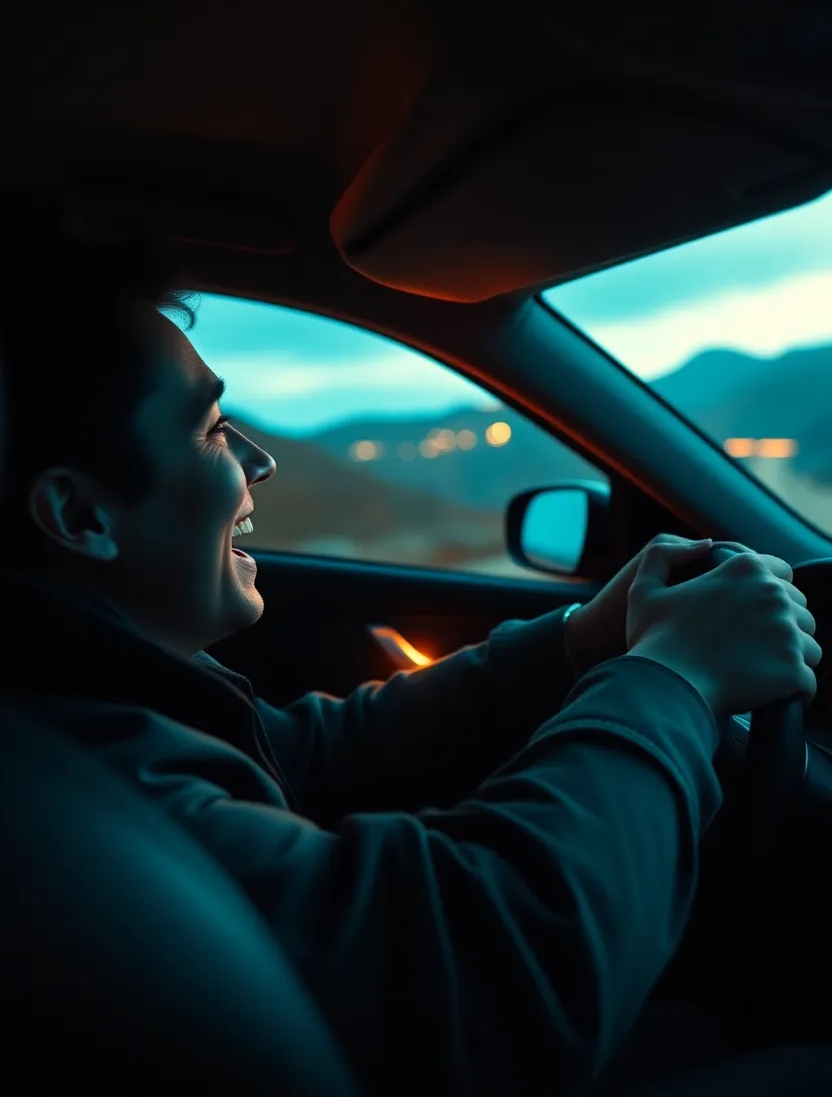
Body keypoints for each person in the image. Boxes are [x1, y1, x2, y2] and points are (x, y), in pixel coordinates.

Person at [0, 237, 822, 1095]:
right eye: (210, 432)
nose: (259, 461)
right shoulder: (80, 775)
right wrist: (676, 682)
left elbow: (317, 758)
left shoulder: (100, 714)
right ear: (79, 514)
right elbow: (489, 969)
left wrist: (578, 643)